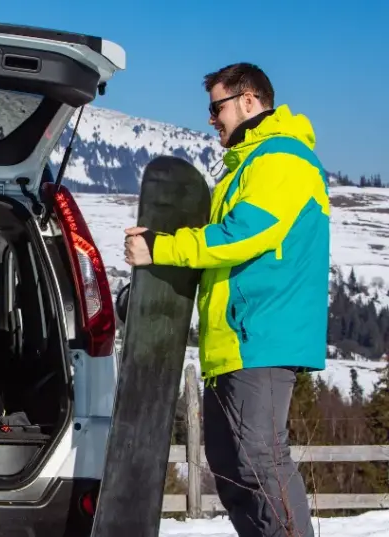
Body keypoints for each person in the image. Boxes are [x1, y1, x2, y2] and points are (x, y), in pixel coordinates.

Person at [124, 62, 327, 537]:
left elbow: (241, 236)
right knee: (231, 467)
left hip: (261, 337)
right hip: (233, 342)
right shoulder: (247, 167)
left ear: (249, 101)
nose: (211, 118)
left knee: (261, 458)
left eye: (217, 108)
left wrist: (160, 248)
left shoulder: (282, 160)